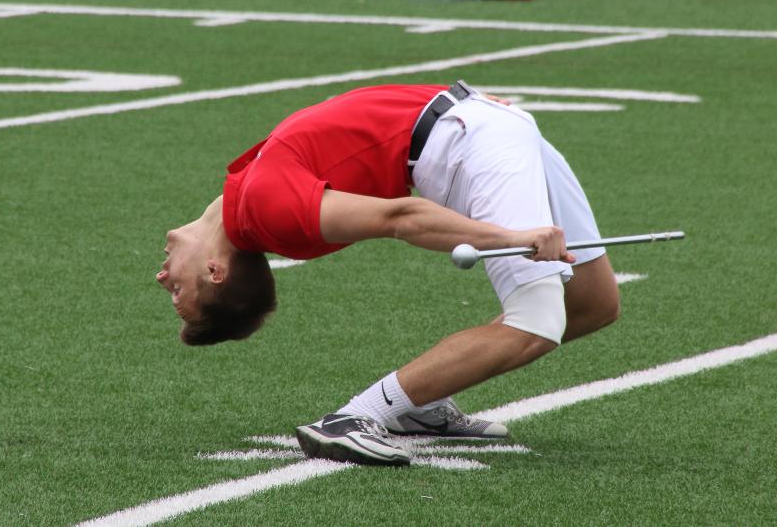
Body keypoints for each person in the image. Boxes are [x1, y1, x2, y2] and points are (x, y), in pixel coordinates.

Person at [156, 81, 620, 466]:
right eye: (175, 288)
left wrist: (469, 110)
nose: (162, 278)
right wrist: (509, 236)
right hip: (467, 135)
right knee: (545, 317)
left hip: (476, 123)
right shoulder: (262, 210)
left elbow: (355, 121)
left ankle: (414, 407)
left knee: (589, 305)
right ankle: (355, 418)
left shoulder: (245, 197)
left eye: (173, 287)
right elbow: (402, 218)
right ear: (215, 272)